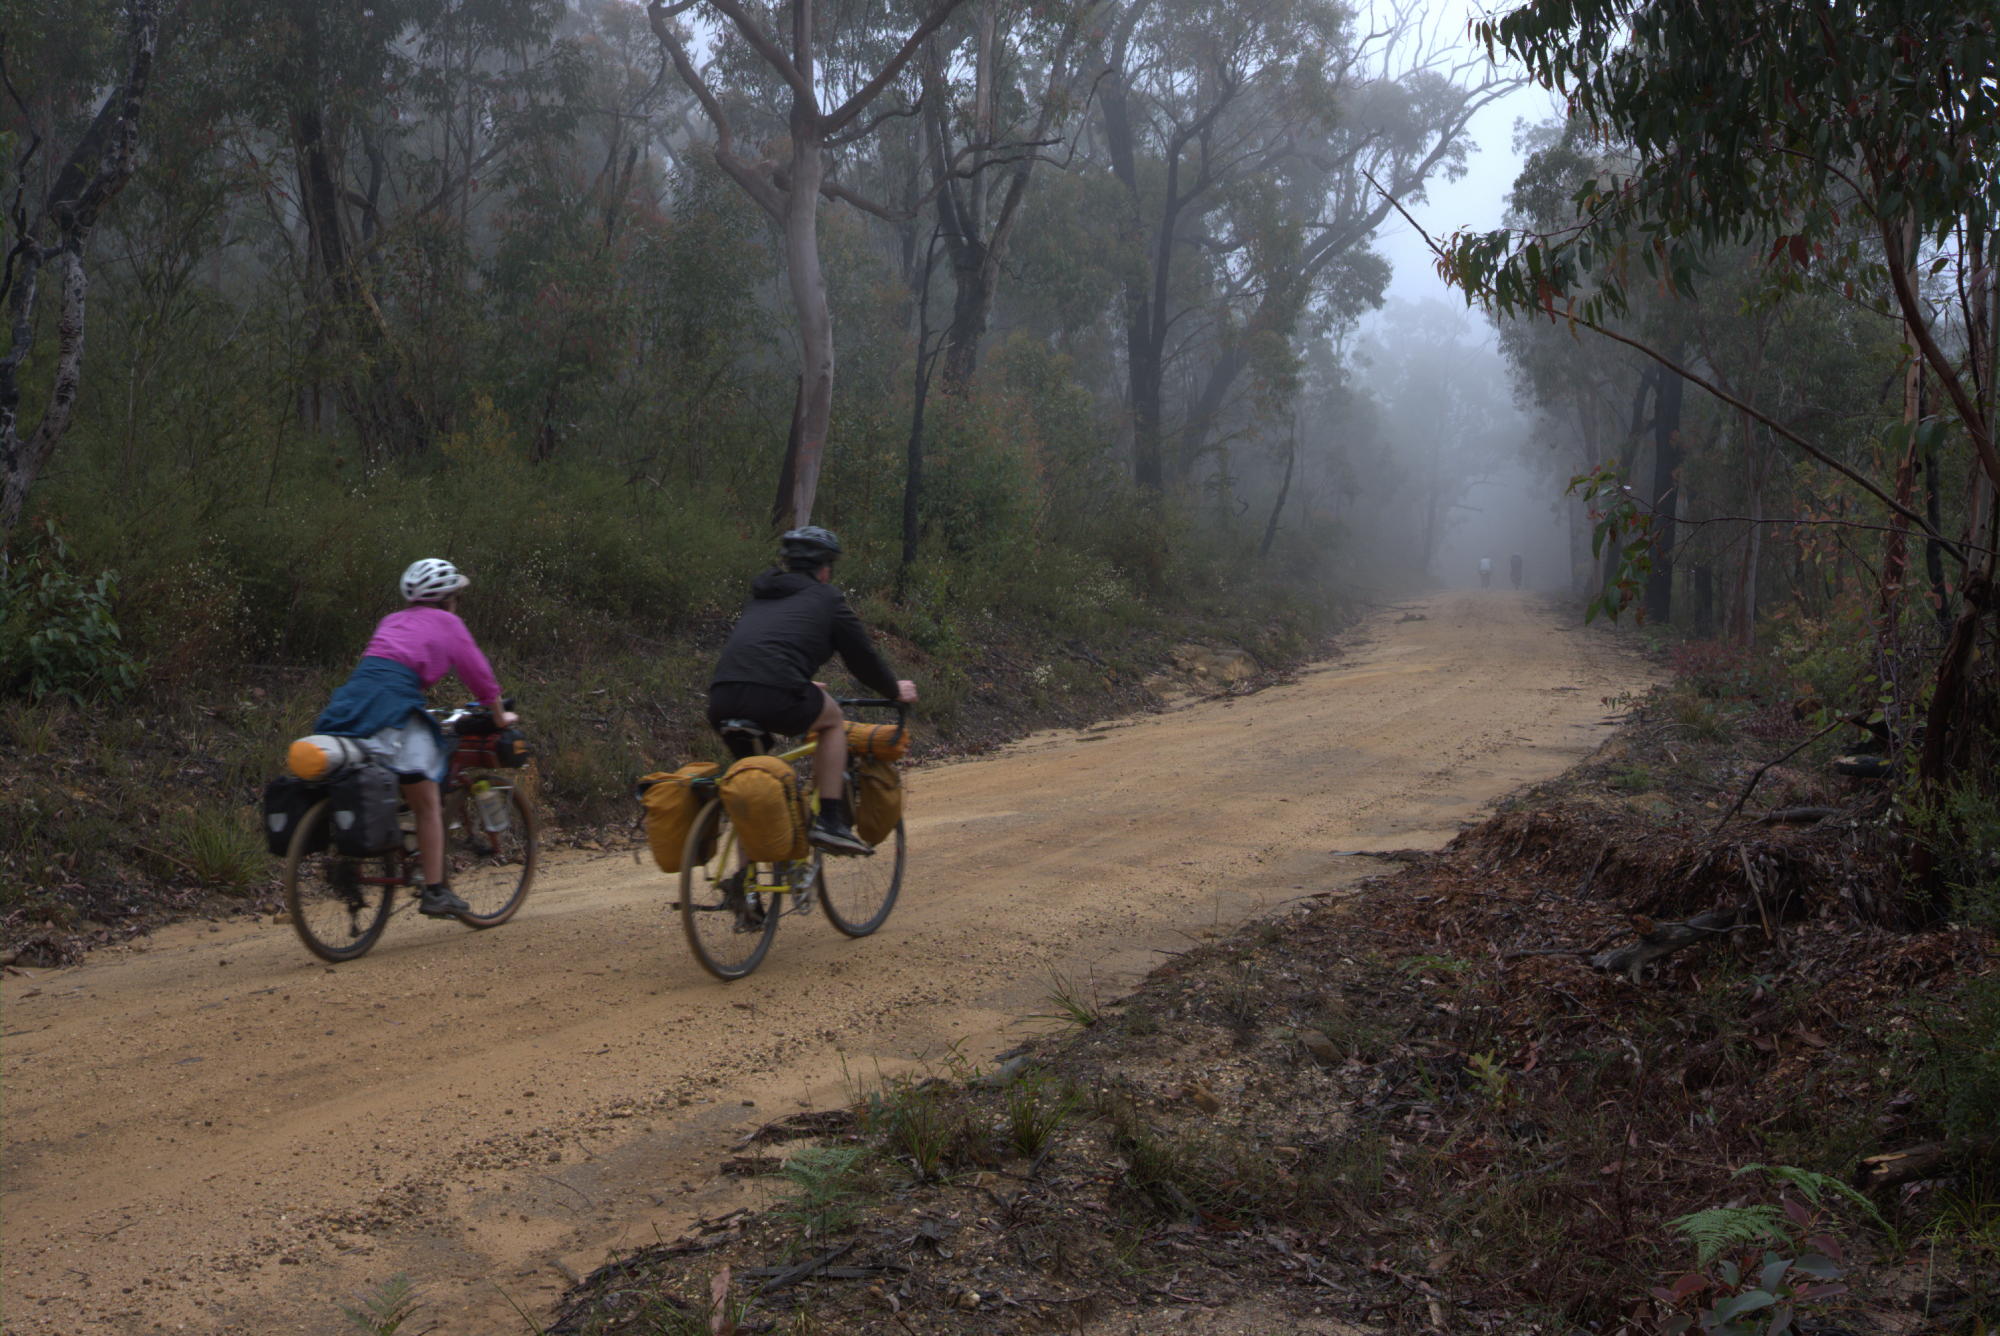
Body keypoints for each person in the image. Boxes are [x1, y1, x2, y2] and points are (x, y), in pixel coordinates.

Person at [311, 559, 515, 917]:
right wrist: (500, 715)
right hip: (394, 709)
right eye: (457, 597)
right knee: (427, 804)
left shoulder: (391, 620)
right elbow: (479, 675)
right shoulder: (449, 623)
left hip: (350, 704)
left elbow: (381, 667)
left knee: (384, 778)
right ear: (449, 597)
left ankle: (391, 846)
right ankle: (435, 891)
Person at [706, 526, 917, 857]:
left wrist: (797, 683)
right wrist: (894, 690)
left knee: (755, 791)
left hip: (721, 697)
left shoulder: (762, 596)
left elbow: (761, 653)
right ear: (825, 569)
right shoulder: (827, 598)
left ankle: (746, 893)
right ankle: (829, 820)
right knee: (832, 720)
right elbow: (863, 659)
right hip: (776, 693)